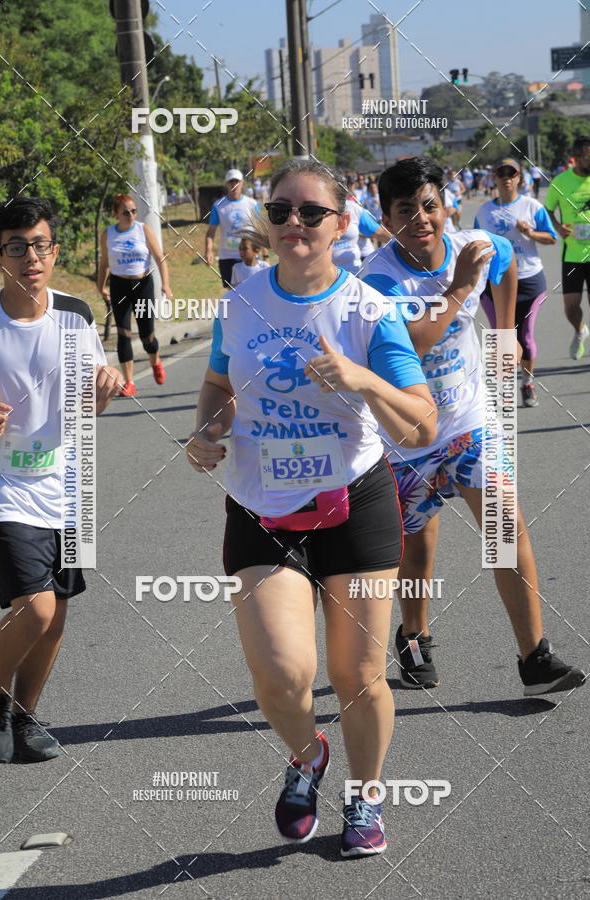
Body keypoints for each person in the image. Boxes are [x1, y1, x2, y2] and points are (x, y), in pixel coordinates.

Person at [187, 158, 437, 857]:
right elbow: (216, 385)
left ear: (341, 223)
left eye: (310, 213)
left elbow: (419, 422)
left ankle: (365, 795)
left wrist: (361, 377)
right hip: (261, 509)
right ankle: (306, 756)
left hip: (353, 504)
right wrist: (206, 432)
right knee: (280, 672)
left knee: (357, 676)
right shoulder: (239, 304)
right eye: (280, 211)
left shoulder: (368, 311)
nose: (293, 224)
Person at [361, 157, 585, 696]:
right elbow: (407, 345)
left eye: (430, 205)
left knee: (505, 531)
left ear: (447, 205)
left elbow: (505, 262)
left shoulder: (474, 246)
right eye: (404, 209)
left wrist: (504, 330)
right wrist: (461, 291)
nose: (421, 218)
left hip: (470, 419)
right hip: (407, 436)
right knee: (415, 547)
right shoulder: (374, 280)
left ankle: (535, 658)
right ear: (386, 219)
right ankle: (414, 636)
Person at [0, 197, 120, 764]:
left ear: (54, 251)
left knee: (57, 611)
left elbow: (89, 396)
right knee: (35, 608)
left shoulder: (75, 314)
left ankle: (24, 716)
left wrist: (104, 387)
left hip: (71, 482)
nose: (30, 256)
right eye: (16, 247)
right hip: (4, 485)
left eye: (40, 245)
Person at [474, 158, 557, 407]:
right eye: (501, 173)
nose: (506, 177)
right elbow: (476, 242)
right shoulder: (484, 211)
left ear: (520, 178)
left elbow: (551, 238)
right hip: (494, 282)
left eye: (512, 173)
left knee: (526, 335)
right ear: (494, 178)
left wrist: (530, 233)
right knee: (501, 337)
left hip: (529, 280)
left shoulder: (532, 206)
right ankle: (503, 389)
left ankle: (527, 384)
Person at [98, 193, 172, 398]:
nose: (130, 215)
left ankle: (155, 360)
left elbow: (160, 258)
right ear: (115, 214)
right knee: (123, 334)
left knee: (147, 335)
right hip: (119, 285)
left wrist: (165, 285)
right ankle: (129, 382)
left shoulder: (143, 229)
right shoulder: (108, 234)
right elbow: (104, 263)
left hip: (143, 284)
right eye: (125, 212)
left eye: (133, 211)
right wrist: (100, 286)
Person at [545, 136, 590, 359]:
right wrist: (558, 228)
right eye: (586, 155)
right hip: (572, 254)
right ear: (577, 157)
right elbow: (548, 210)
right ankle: (580, 330)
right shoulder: (561, 182)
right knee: (571, 306)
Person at [205, 169, 259, 288]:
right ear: (226, 184)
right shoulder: (218, 206)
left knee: (253, 290)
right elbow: (211, 232)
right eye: (231, 182)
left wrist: (265, 254)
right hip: (227, 256)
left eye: (237, 181)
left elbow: (259, 230)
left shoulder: (251, 204)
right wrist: (209, 250)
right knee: (233, 293)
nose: (234, 185)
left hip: (249, 254)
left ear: (242, 183)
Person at [333, 187, 388, 275]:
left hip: (354, 274)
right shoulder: (307, 211)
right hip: (319, 280)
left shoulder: (353, 208)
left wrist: (406, 249)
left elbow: (381, 234)